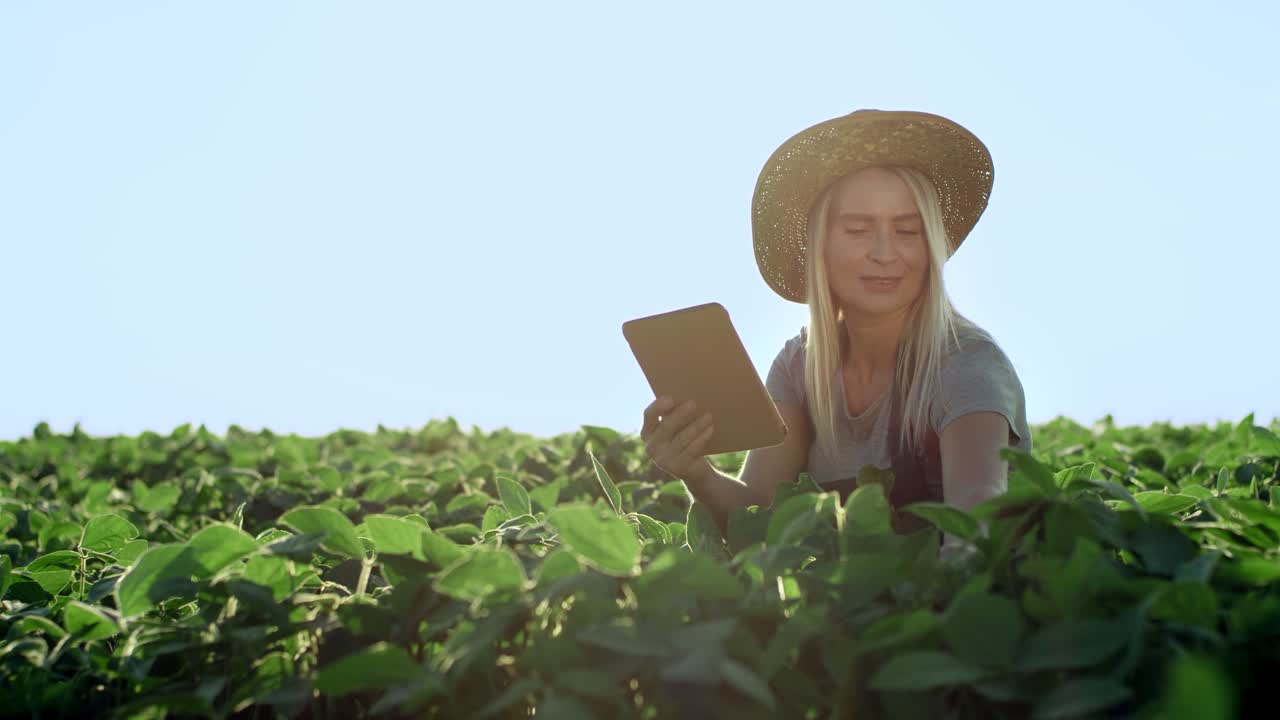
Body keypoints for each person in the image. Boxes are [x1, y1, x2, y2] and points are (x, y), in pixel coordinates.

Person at [639, 109, 1032, 549]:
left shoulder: (966, 364)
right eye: (859, 229)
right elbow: (759, 514)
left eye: (908, 230)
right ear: (818, 246)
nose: (885, 253)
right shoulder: (798, 366)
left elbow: (976, 518)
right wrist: (696, 471)